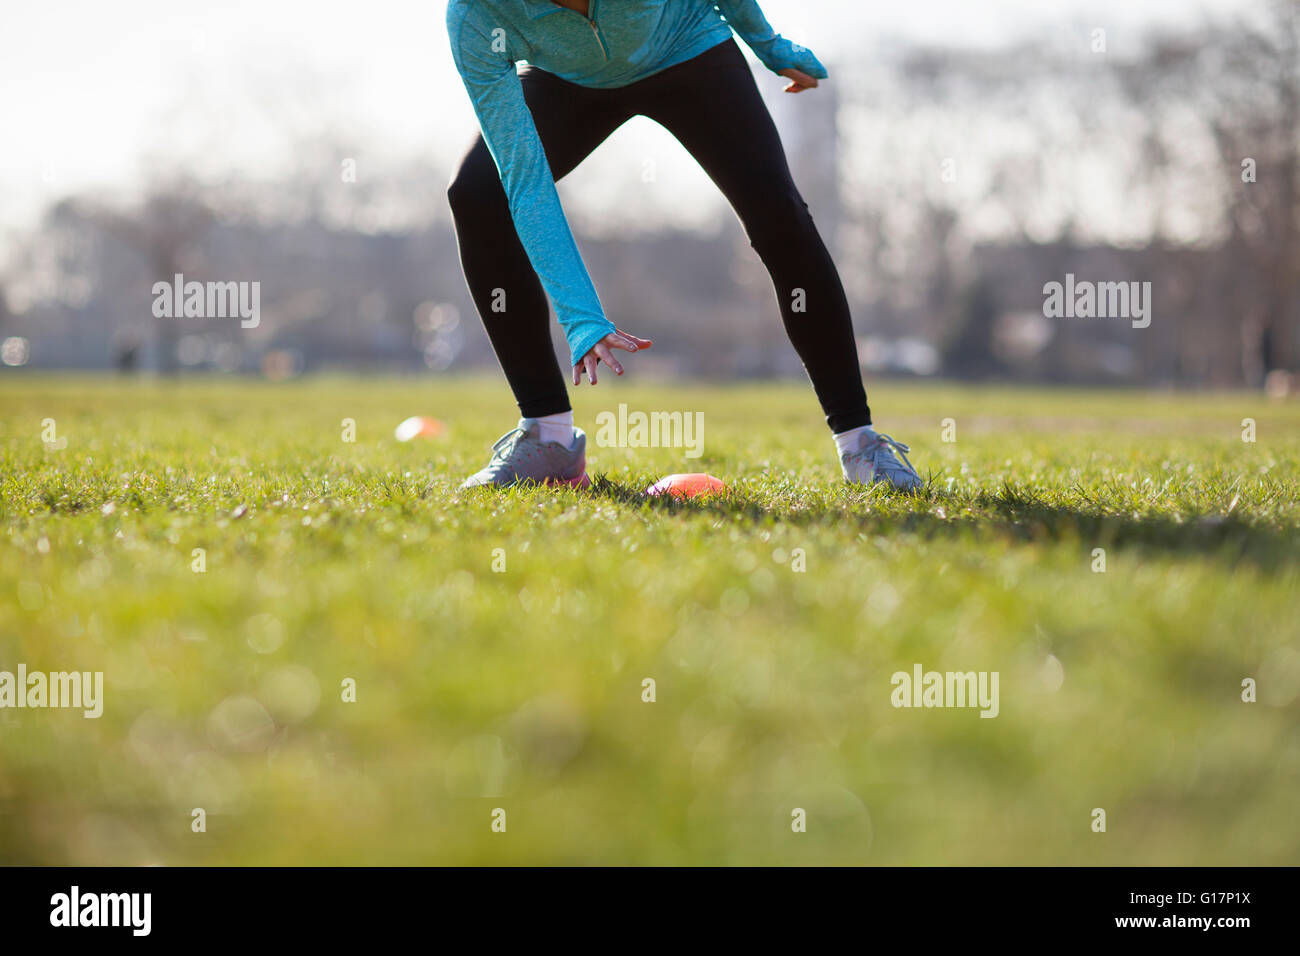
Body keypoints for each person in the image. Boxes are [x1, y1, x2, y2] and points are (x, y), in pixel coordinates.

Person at [446, 0, 922, 492]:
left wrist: (767, 44)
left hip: (685, 46)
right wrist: (580, 313)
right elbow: (525, 181)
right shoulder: (477, 16)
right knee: (479, 194)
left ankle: (861, 445)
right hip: (568, 80)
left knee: (779, 215)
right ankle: (549, 440)